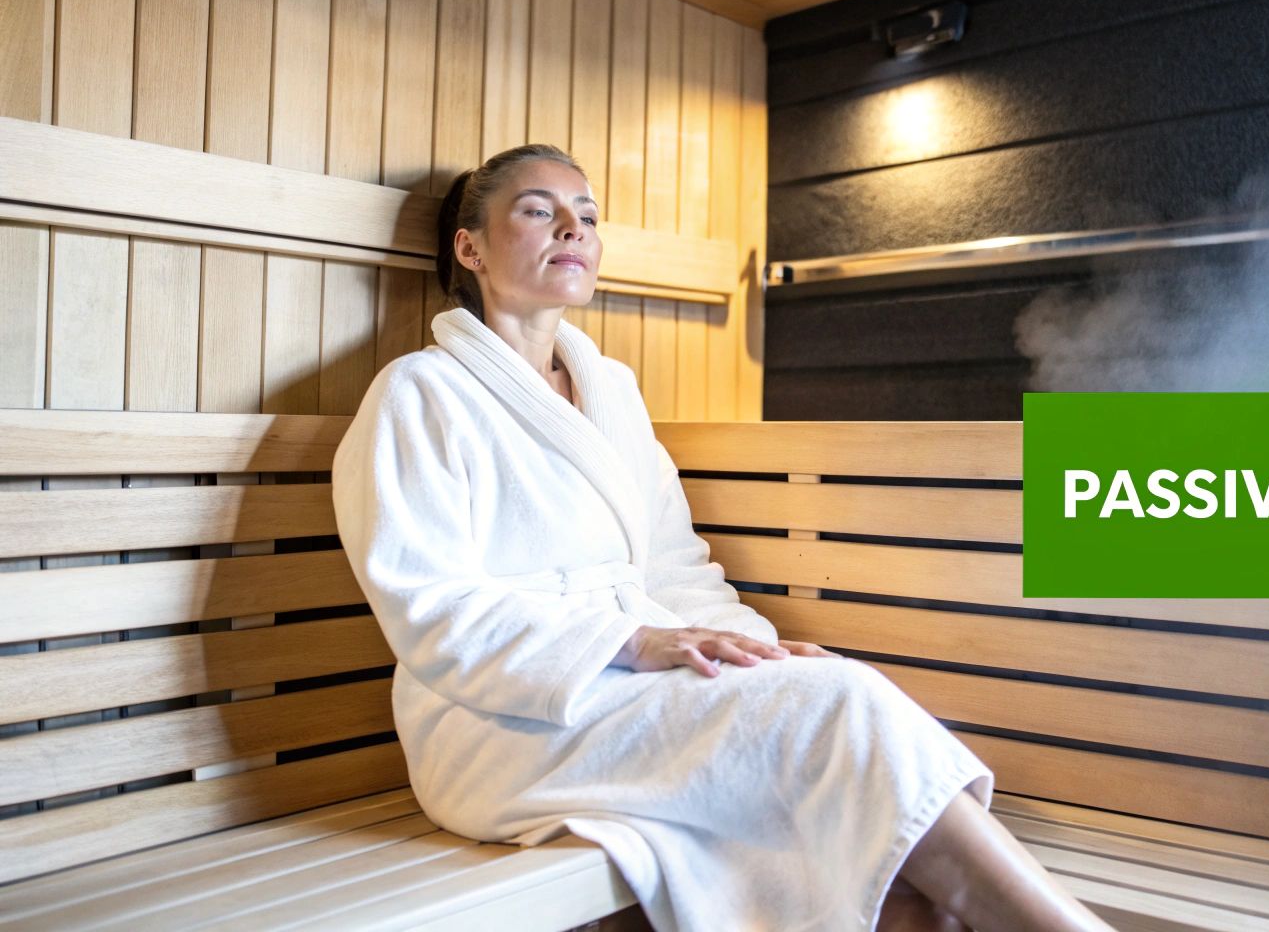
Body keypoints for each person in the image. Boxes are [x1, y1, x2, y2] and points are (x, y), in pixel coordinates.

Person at [330, 144, 1115, 932]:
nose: (573, 229)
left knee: (897, 869)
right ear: (470, 249)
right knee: (840, 705)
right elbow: (430, 606)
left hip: (635, 694)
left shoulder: (612, 391)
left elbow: (675, 567)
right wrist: (634, 642)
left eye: (588, 217)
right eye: (540, 211)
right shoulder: (419, 393)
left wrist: (754, 651)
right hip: (501, 722)